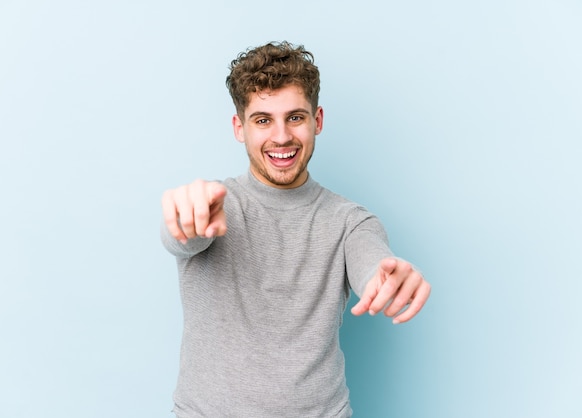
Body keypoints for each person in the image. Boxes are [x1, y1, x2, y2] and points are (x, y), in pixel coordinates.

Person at [160, 41, 431, 417]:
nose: (282, 136)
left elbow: (372, 262)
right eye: (263, 120)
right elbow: (181, 236)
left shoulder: (351, 221)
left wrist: (387, 280)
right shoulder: (211, 207)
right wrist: (184, 218)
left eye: (295, 117)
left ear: (317, 120)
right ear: (240, 127)